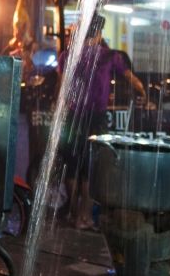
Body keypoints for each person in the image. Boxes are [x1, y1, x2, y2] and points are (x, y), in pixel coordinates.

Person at [57, 13, 148, 230]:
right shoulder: (109, 57)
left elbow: (61, 88)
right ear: (98, 33)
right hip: (95, 119)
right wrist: (143, 91)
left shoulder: (67, 55)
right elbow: (130, 78)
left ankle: (71, 213)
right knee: (92, 168)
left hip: (72, 116)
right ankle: (85, 217)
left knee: (72, 165)